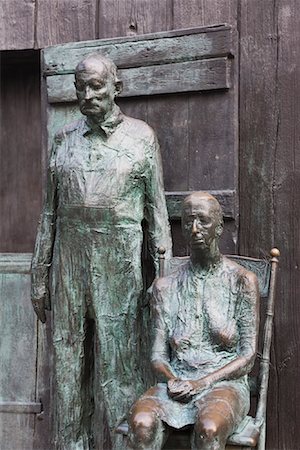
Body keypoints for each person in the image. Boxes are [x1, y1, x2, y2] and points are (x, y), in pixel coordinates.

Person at [31, 53, 172, 450]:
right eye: (81, 88)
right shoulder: (63, 139)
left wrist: (162, 281)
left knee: (120, 366)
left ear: (116, 88)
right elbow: (49, 214)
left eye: (96, 86)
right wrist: (39, 277)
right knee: (68, 367)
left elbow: (157, 217)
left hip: (121, 266)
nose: (88, 94)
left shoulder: (141, 137)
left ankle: (125, 444)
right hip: (69, 265)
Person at [128, 191, 259, 450]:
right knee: (142, 423)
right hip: (176, 384)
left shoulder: (242, 281)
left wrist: (202, 382)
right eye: (188, 222)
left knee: (209, 428)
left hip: (224, 385)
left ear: (219, 227)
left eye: (203, 221)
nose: (195, 229)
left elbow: (248, 355)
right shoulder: (166, 287)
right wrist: (171, 378)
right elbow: (157, 355)